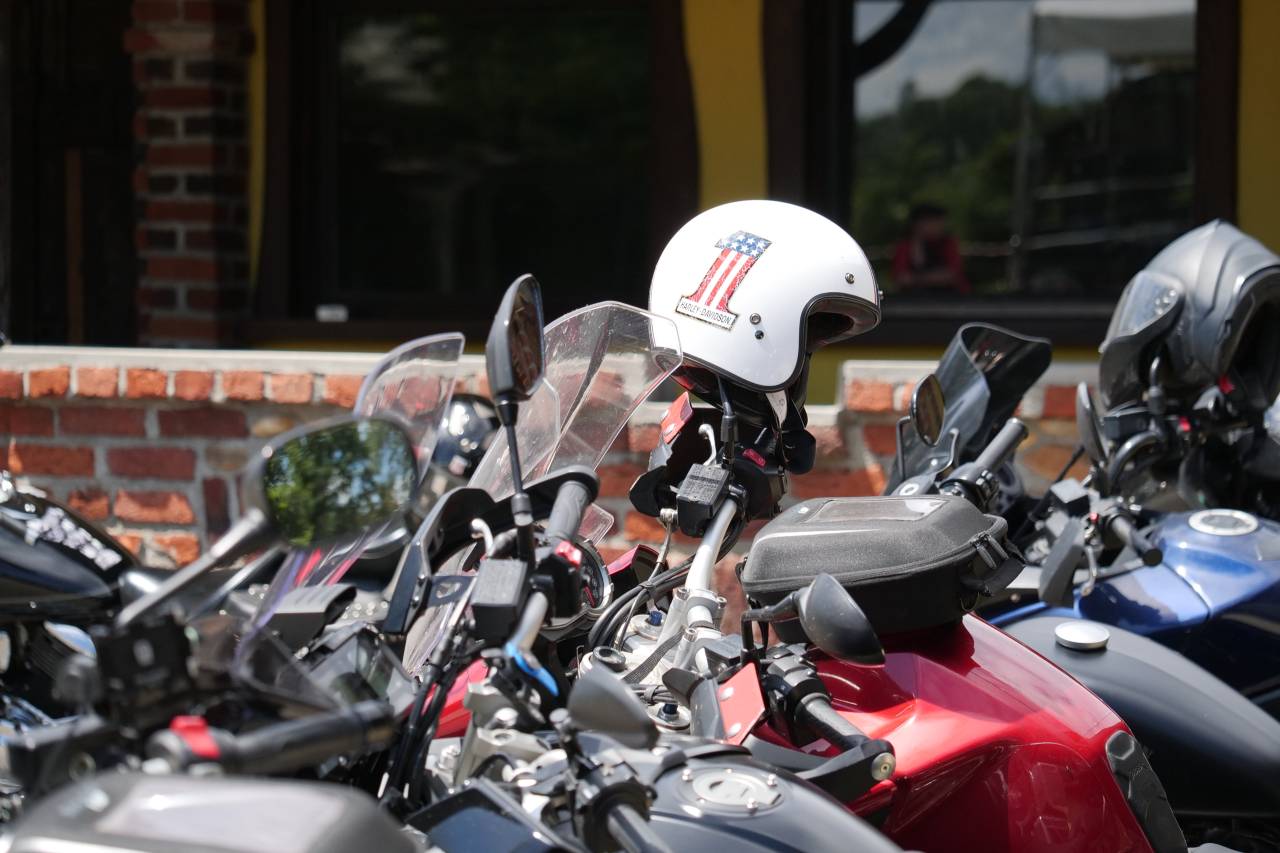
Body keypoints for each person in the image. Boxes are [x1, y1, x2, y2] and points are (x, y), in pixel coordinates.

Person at [891, 203, 970, 294]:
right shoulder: (905, 245)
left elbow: (952, 275)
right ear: (918, 224)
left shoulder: (948, 243)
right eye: (934, 222)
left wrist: (917, 279)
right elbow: (901, 278)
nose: (940, 226)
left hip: (950, 297)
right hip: (913, 298)